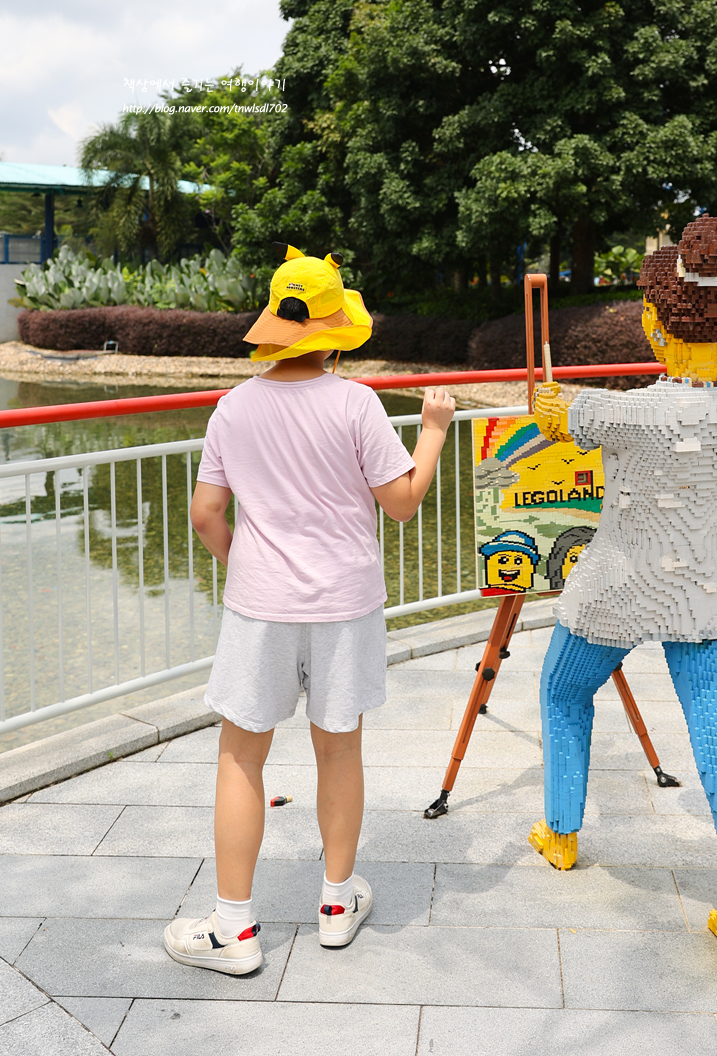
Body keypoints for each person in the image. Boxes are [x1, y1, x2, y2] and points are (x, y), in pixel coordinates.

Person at [163, 244, 455, 975]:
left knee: (240, 753)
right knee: (339, 748)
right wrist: (436, 431)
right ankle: (333, 904)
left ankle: (233, 927)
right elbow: (400, 505)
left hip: (262, 606)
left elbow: (204, 513)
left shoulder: (233, 407)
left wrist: (245, 564)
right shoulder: (356, 402)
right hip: (344, 603)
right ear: (333, 332)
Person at [529, 216, 717, 956]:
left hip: (613, 585)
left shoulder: (613, 409)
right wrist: (715, 530)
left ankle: (561, 830)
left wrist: (553, 404)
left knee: (561, 690)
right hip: (704, 590)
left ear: (651, 319)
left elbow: (549, 413)